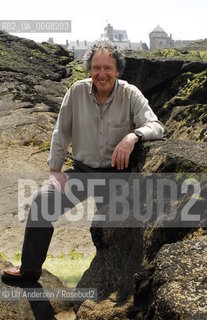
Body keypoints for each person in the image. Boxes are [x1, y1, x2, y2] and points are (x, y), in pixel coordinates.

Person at [2, 41, 164, 282]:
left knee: (112, 232)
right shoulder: (76, 91)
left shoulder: (130, 94)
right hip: (82, 172)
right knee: (40, 204)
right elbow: (61, 132)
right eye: (96, 67)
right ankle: (30, 270)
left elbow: (156, 126)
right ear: (89, 69)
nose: (102, 74)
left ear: (118, 70)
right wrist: (55, 170)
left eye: (108, 68)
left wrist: (133, 135)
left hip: (117, 175)